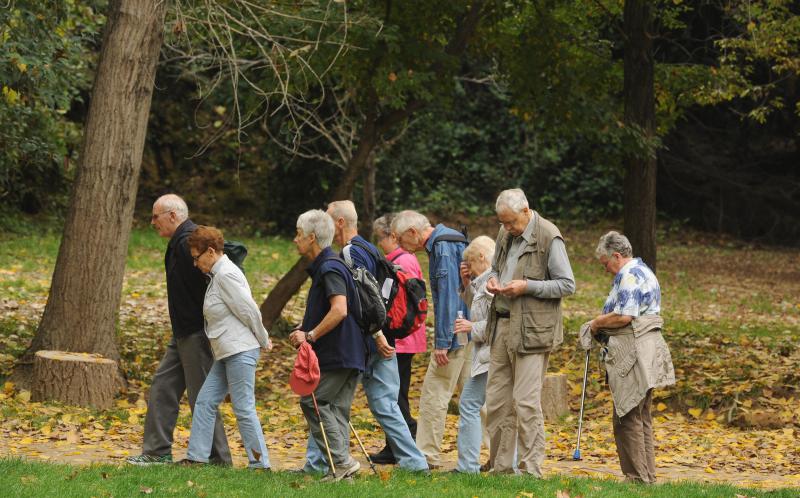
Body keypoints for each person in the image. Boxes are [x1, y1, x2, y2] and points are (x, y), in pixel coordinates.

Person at [315, 201, 428, 472]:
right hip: (383, 335)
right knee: (384, 404)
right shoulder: (369, 247)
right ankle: (415, 463)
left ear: (340, 223)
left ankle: (318, 462)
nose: (326, 225)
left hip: (368, 340)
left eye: (329, 220)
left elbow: (366, 299)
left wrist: (377, 335)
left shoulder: (351, 252)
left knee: (329, 400)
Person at [127, 194, 231, 466]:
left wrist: (211, 331)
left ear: (173, 216)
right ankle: (157, 451)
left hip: (198, 334)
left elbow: (219, 283)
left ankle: (218, 460)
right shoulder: (179, 242)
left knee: (202, 398)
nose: (152, 222)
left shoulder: (191, 243)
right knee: (163, 387)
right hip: (183, 333)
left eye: (156, 216)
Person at [484, 188, 575, 477]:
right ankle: (501, 468)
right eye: (503, 223)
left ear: (526, 211)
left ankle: (531, 469)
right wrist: (494, 280)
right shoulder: (504, 232)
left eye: (511, 222)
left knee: (525, 402)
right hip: (502, 323)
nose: (507, 228)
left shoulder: (549, 236)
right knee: (497, 401)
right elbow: (495, 267)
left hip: (534, 330)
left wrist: (527, 286)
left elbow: (566, 284)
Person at [584, 231, 675, 484]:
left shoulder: (629, 275)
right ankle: (647, 476)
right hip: (647, 349)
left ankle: (636, 477)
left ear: (616, 256)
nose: (606, 270)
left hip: (632, 350)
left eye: (606, 264)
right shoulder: (645, 271)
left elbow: (624, 316)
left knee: (627, 416)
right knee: (641, 415)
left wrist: (596, 322)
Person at [179, 226, 273, 468]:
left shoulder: (226, 274)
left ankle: (260, 464)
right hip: (226, 352)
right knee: (205, 401)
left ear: (210, 252)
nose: (195, 263)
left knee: (243, 408)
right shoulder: (217, 275)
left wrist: (263, 339)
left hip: (240, 351)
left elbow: (248, 310)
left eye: (196, 257)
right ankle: (197, 458)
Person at [289, 209, 365, 481]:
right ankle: (344, 472)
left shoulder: (329, 266)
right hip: (352, 351)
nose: (295, 240)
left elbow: (340, 310)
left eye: (298, 235)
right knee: (337, 408)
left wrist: (310, 335)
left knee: (315, 402)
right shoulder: (332, 264)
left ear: (311, 238)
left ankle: (343, 462)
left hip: (338, 352)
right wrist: (306, 326)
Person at [392, 210, 470, 469]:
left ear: (413, 232)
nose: (401, 246)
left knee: (433, 395)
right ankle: (503, 454)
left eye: (401, 239)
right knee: (474, 397)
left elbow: (449, 296)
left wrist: (443, 342)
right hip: (470, 329)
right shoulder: (451, 239)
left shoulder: (442, 247)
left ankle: (426, 456)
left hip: (456, 333)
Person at [368, 213, 428, 465]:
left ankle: (406, 436)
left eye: (381, 239)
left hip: (402, 338)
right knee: (394, 393)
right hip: (403, 338)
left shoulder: (402, 261)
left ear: (392, 236)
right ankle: (394, 445)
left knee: (396, 395)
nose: (380, 245)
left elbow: (406, 303)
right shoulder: (396, 260)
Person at [453, 236, 495, 473]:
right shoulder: (484, 280)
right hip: (486, 355)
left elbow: (498, 323)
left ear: (482, 257)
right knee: (494, 408)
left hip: (490, 355)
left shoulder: (492, 282)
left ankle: (468, 466)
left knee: (469, 403)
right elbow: (475, 305)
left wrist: (472, 328)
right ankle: (504, 462)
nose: (469, 266)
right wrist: (466, 281)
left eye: (471, 262)